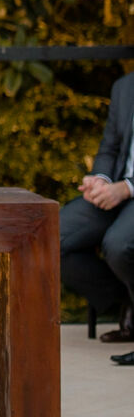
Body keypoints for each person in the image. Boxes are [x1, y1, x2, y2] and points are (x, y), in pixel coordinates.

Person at [58, 68, 134, 364]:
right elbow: (110, 148)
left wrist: (126, 188)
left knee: (119, 245)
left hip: (126, 191)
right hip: (114, 190)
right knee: (52, 236)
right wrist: (100, 179)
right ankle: (125, 297)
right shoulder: (125, 87)